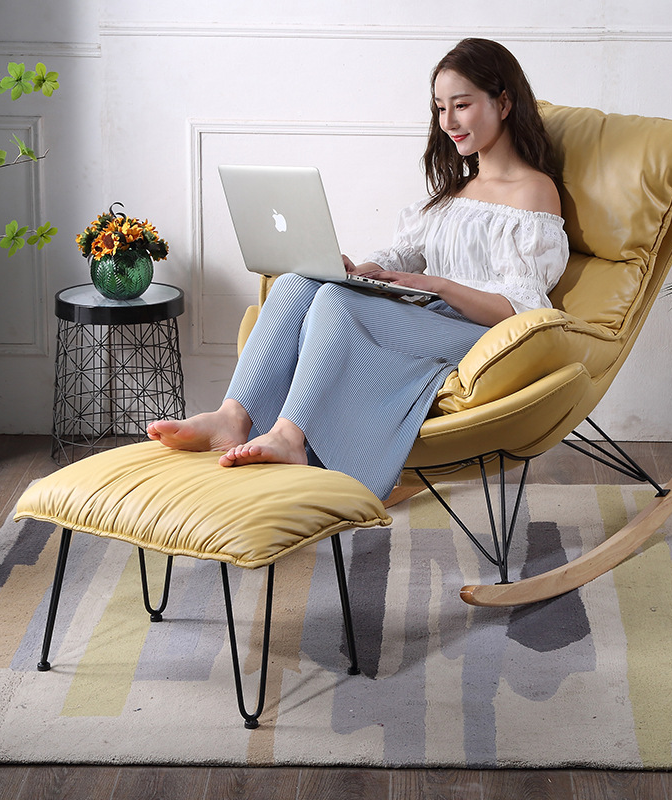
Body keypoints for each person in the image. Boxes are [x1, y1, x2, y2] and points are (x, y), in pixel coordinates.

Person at [147, 38, 569, 500]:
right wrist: (353, 270)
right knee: (298, 282)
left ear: (503, 102)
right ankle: (233, 416)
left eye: (462, 105)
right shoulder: (457, 189)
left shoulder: (533, 191)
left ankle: (291, 436)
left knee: (335, 301)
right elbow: (403, 254)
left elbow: (521, 309)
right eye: (440, 108)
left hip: (479, 337)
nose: (448, 122)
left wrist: (440, 286)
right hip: (428, 316)